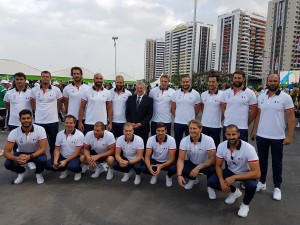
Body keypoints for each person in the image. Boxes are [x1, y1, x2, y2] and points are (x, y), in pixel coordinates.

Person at [251, 74, 295, 201]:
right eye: (270, 81)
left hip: (277, 136)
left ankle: (277, 187)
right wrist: (254, 130)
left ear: (278, 82)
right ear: (267, 81)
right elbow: (258, 115)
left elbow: (291, 118)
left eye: (275, 81)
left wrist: (290, 136)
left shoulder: (285, 98)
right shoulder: (261, 96)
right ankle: (262, 182)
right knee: (261, 161)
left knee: (277, 163)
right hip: (262, 135)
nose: (272, 83)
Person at [207, 124, 261, 218]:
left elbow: (257, 173)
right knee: (211, 182)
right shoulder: (222, 146)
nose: (231, 137)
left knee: (252, 185)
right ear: (225, 135)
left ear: (238, 134)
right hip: (231, 170)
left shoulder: (248, 148)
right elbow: (218, 165)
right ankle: (234, 192)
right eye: (228, 134)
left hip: (246, 173)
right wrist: (221, 182)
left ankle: (245, 204)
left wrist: (235, 177)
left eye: (233, 134)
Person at [3, 109, 48, 184]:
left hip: (35, 153)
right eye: (23, 118)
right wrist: (17, 158)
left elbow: (43, 149)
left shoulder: (40, 129)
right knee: (8, 164)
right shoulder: (14, 132)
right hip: (21, 153)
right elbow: (6, 152)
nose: (26, 120)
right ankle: (22, 172)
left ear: (32, 119)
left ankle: (38, 173)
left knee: (42, 160)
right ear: (19, 120)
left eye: (28, 118)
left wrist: (29, 157)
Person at [177, 120, 216, 199]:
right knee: (180, 169)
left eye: (194, 128)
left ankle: (210, 186)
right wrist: (179, 175)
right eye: (190, 128)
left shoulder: (209, 140)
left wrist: (198, 167)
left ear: (200, 129)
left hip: (206, 164)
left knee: (213, 169)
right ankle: (193, 179)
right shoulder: (184, 140)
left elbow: (212, 160)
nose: (192, 131)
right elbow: (180, 159)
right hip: (192, 163)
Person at [30, 71, 63, 158]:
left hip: (52, 121)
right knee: (38, 142)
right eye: (43, 76)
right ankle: (39, 160)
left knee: (53, 142)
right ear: (40, 77)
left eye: (47, 77)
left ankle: (54, 159)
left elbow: (60, 101)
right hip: (39, 121)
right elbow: (32, 101)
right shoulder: (34, 90)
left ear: (50, 78)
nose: (45, 78)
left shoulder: (56, 90)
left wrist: (56, 111)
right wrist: (36, 111)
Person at [221, 70, 257, 142]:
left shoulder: (250, 93)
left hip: (241, 128)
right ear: (233, 79)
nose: (237, 80)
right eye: (235, 78)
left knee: (241, 150)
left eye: (239, 78)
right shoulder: (226, 92)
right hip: (227, 126)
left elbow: (254, 111)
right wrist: (226, 118)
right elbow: (223, 108)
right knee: (227, 150)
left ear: (243, 79)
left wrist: (246, 123)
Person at [45, 115, 84, 181]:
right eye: (67, 123)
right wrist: (55, 161)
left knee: (72, 166)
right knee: (48, 165)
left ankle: (78, 171)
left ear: (74, 124)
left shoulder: (80, 135)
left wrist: (65, 161)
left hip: (75, 156)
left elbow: (77, 152)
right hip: (63, 155)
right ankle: (64, 169)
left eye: (71, 123)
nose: (68, 125)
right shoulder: (59, 134)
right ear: (64, 123)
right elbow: (57, 149)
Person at [142, 122, 176, 187]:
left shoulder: (171, 140)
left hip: (167, 161)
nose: (160, 133)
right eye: (158, 130)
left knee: (174, 169)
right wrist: (149, 167)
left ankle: (169, 177)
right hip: (155, 160)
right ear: (156, 131)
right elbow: (147, 157)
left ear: (166, 131)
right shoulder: (150, 139)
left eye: (162, 131)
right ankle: (154, 174)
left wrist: (160, 166)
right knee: (144, 168)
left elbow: (172, 159)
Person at [171, 75, 201, 151]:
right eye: (183, 82)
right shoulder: (175, 93)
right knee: (177, 142)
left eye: (187, 82)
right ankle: (177, 159)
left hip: (190, 123)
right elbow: (173, 108)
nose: (185, 83)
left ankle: (189, 159)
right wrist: (177, 116)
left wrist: (191, 119)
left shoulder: (196, 94)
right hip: (178, 122)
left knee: (190, 142)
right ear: (181, 83)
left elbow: (197, 109)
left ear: (190, 82)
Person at [126, 82, 153, 150]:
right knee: (132, 145)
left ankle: (142, 159)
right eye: (138, 88)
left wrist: (141, 124)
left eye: (141, 88)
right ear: (135, 88)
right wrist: (131, 123)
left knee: (143, 145)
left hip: (143, 127)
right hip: (132, 127)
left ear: (144, 89)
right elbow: (127, 113)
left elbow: (150, 114)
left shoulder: (149, 100)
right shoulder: (130, 98)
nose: (139, 90)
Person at [200, 74, 223, 147]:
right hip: (204, 125)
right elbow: (203, 108)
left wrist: (220, 120)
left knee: (214, 147)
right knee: (203, 146)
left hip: (216, 126)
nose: (211, 84)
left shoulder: (222, 95)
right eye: (209, 82)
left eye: (213, 82)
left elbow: (224, 111)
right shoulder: (203, 94)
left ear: (217, 83)